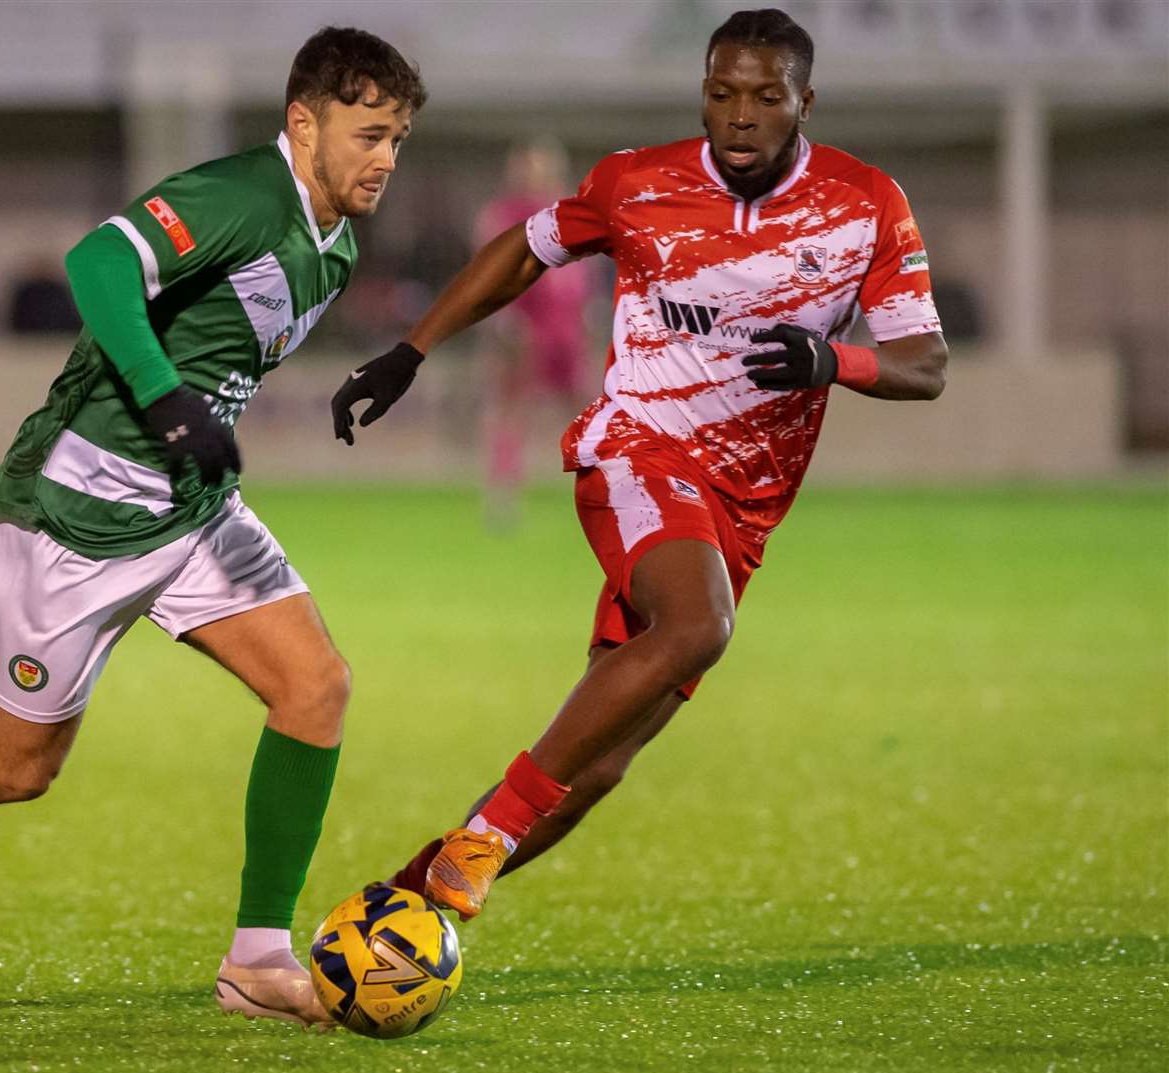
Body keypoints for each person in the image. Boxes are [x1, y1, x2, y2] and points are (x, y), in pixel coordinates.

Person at [0, 26, 426, 1030]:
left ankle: (257, 958)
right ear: (304, 122)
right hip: (75, 510)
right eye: (368, 133)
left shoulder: (334, 248)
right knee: (14, 767)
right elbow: (100, 261)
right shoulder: (244, 196)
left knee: (314, 687)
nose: (384, 158)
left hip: (192, 508)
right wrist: (164, 397)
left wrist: (201, 425)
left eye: (398, 140)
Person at [331, 8, 947, 920]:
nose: (738, 115)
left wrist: (834, 360)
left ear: (802, 102)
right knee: (699, 626)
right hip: (636, 452)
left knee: (599, 762)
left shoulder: (864, 203)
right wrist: (411, 350)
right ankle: (483, 840)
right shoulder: (635, 182)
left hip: (744, 507)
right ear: (702, 92)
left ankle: (396, 915)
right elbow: (524, 251)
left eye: (763, 97)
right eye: (720, 93)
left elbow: (924, 363)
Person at [473, 140, 593, 527]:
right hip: (525, 329)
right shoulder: (504, 216)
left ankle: (602, 489)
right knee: (511, 410)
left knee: (586, 412)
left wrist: (588, 313)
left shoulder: (568, 212)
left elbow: (582, 270)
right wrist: (506, 321)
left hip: (567, 328)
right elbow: (490, 272)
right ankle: (502, 495)